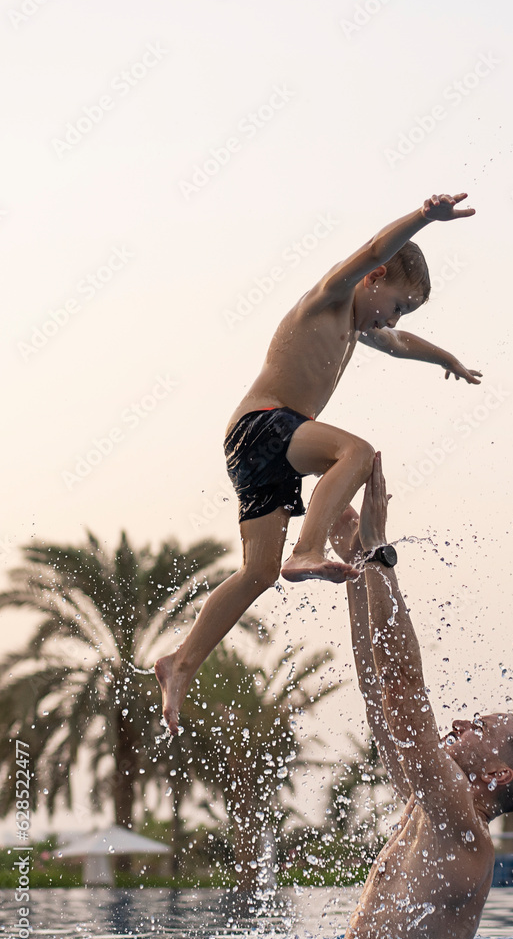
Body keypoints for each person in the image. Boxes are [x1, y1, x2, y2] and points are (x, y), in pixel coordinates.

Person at [156, 193, 482, 733]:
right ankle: (307, 550)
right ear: (374, 278)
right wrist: (425, 217)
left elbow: (398, 343)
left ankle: (181, 662)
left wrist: (445, 357)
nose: (393, 318)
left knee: (257, 573)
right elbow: (380, 245)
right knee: (355, 453)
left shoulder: (358, 326)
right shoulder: (330, 296)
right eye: (397, 303)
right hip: (265, 423)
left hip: (261, 453)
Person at [330, 454, 513, 939]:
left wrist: (380, 553)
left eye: (478, 726)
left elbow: (404, 689)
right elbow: (377, 687)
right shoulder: (425, 802)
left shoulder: (463, 832)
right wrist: (356, 565)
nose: (458, 722)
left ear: (496, 775)